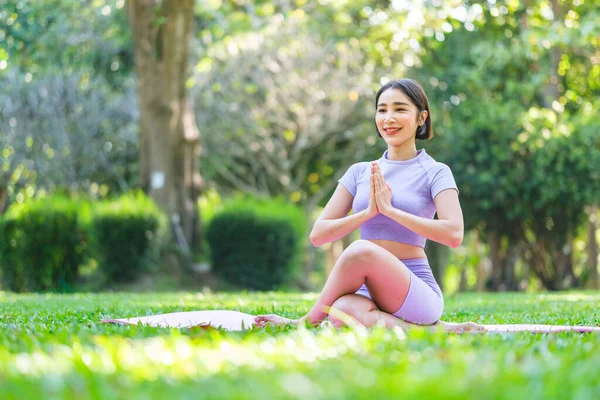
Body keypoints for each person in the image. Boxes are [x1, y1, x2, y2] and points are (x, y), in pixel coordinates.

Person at [255, 78, 481, 333]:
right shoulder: (359, 172)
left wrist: (391, 212)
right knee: (341, 313)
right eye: (382, 109)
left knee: (360, 249)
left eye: (400, 109)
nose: (389, 117)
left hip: (414, 291)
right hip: (366, 292)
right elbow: (318, 235)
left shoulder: (435, 172)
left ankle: (304, 323)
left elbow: (454, 234)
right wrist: (367, 214)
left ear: (421, 117)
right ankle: (436, 331)